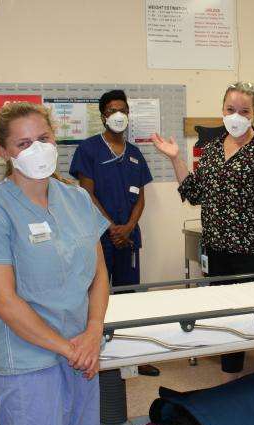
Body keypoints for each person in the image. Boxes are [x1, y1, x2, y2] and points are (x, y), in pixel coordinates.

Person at [0, 102, 110, 425]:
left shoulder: (76, 198)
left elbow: (98, 273)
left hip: (83, 352)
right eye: (23, 144)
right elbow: (5, 302)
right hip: (30, 363)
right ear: (2, 151)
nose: (37, 149)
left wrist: (92, 331)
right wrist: (70, 348)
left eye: (43, 138)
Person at [151, 81, 254, 373]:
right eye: (230, 109)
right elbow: (195, 192)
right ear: (222, 110)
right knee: (227, 324)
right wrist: (176, 158)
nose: (236, 116)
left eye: (244, 110)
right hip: (219, 253)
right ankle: (232, 382)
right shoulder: (211, 150)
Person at [69, 89, 159, 377]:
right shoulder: (89, 149)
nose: (118, 115)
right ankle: (98, 353)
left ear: (128, 114)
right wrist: (110, 227)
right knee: (98, 294)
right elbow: (86, 194)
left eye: (122, 110)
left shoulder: (134, 154)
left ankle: (136, 354)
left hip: (128, 236)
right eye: (111, 110)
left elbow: (141, 198)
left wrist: (129, 227)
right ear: (103, 116)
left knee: (131, 294)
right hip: (99, 237)